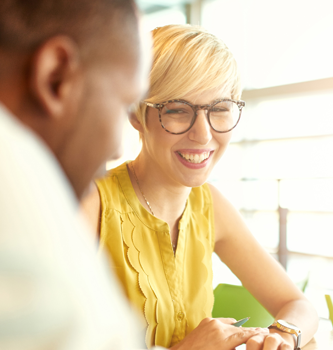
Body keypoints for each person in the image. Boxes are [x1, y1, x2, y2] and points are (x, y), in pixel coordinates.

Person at [0, 1, 267, 350]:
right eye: (122, 102)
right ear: (55, 76)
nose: (115, 149)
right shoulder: (39, 199)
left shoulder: (209, 204)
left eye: (219, 109)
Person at [82, 24, 319, 349]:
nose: (203, 134)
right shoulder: (92, 203)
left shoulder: (209, 204)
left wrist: (282, 336)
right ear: (136, 114)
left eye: (219, 109)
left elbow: (300, 305)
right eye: (178, 110)